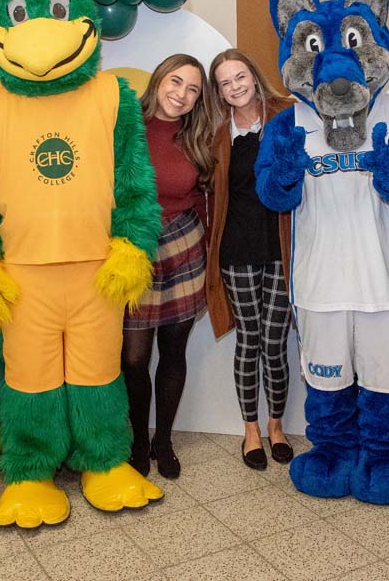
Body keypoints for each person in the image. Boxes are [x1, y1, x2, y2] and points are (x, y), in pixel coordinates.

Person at [122, 54, 216, 479]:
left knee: (173, 351)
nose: (181, 94)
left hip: (184, 247)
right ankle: (138, 440)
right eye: (175, 82)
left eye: (192, 89)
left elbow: (202, 198)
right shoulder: (125, 127)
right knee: (134, 358)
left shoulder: (198, 138)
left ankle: (163, 441)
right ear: (158, 81)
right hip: (136, 251)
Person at [205, 49, 295, 470]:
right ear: (219, 91)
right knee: (249, 341)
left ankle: (277, 426)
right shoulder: (219, 136)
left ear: (254, 76)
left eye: (239, 76)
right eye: (225, 82)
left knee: (275, 345)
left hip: (280, 248)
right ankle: (251, 431)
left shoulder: (288, 116)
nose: (235, 86)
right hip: (236, 252)